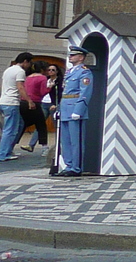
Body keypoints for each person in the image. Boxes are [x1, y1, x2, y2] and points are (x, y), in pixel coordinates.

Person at [55, 47, 92, 176]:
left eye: (74, 55)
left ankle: (76, 167)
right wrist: (59, 109)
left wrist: (79, 110)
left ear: (81, 57)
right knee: (65, 140)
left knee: (76, 141)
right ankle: (69, 165)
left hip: (75, 108)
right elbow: (65, 93)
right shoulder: (69, 71)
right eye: (70, 55)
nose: (70, 57)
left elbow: (85, 92)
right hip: (65, 108)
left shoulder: (84, 72)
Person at [0, 52, 33, 162]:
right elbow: (20, 87)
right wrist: (29, 101)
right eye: (29, 63)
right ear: (25, 61)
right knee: (10, 130)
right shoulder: (20, 72)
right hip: (12, 102)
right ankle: (2, 154)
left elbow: (3, 85)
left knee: (19, 124)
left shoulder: (8, 70)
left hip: (3, 101)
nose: (29, 65)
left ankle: (7, 150)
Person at [18, 59, 51, 153]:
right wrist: (49, 88)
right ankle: (44, 147)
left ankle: (11, 145)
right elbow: (42, 92)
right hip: (35, 102)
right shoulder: (42, 78)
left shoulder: (28, 77)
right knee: (41, 125)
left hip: (23, 102)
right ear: (43, 69)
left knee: (22, 125)